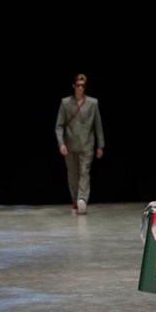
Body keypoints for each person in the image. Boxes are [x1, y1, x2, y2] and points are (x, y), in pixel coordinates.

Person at [54, 73, 105, 214]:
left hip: (87, 144)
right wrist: (61, 143)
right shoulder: (65, 103)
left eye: (83, 85)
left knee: (84, 173)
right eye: (78, 85)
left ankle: (82, 199)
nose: (80, 88)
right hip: (70, 146)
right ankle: (75, 199)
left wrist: (100, 145)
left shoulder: (93, 103)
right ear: (74, 86)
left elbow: (97, 125)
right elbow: (59, 125)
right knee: (72, 175)